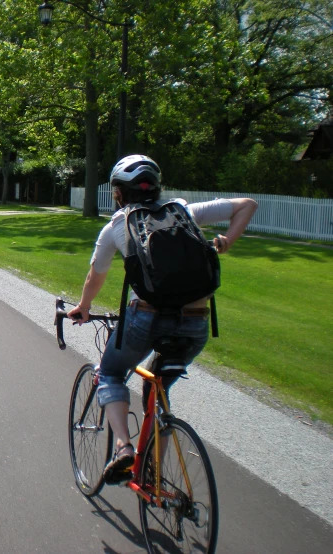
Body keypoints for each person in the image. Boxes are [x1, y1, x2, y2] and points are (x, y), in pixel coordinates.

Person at [67, 154, 257, 484]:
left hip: (146, 320)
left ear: (119, 193)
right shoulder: (183, 210)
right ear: (157, 187)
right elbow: (247, 205)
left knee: (110, 372)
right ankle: (154, 472)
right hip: (197, 322)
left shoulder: (117, 226)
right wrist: (227, 241)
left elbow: (94, 278)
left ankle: (125, 449)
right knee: (159, 390)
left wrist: (84, 307)